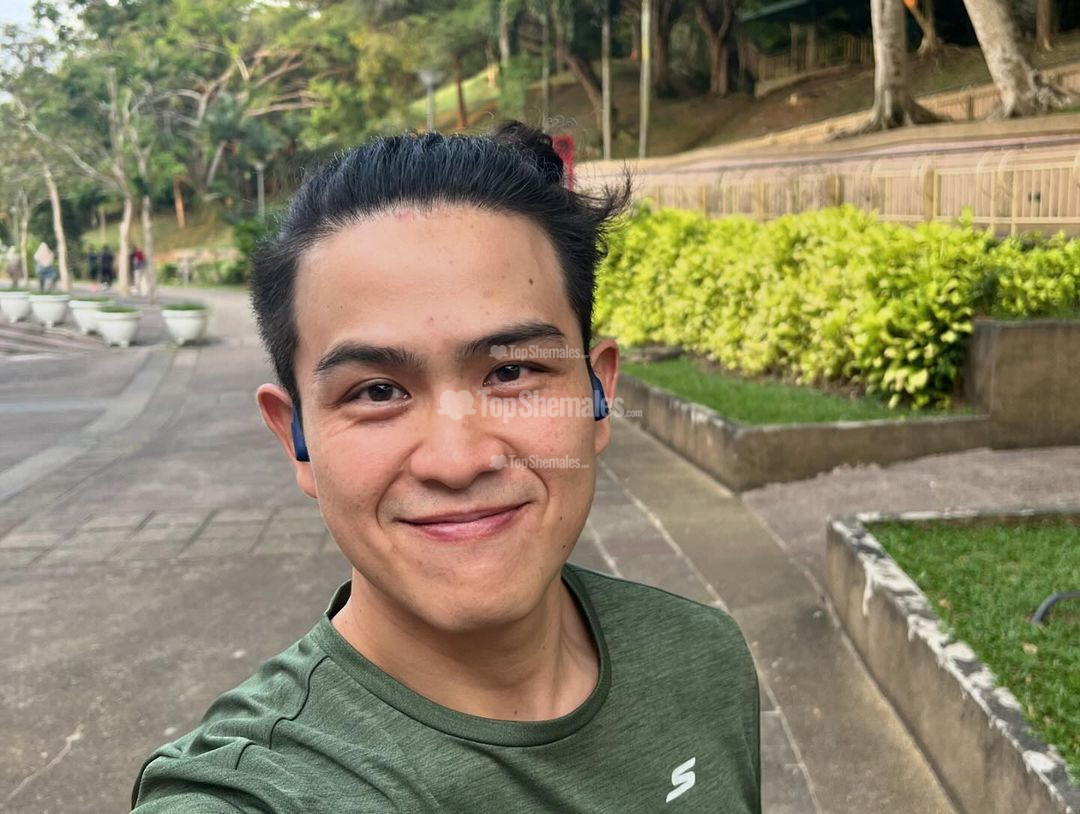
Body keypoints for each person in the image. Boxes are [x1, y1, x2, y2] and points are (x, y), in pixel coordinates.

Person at [129, 122, 761, 813]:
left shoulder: (704, 658)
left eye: (512, 372)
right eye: (377, 392)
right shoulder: (256, 789)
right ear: (296, 438)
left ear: (598, 395)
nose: (456, 462)